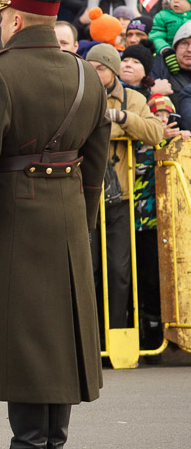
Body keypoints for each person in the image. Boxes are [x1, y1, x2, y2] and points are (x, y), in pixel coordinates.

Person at [0, 0, 111, 449]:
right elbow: (97, 159)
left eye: (1, 18)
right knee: (59, 330)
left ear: (15, 18)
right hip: (66, 212)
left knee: (21, 330)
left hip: (14, 213)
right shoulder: (86, 74)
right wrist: (82, 217)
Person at [85, 43, 164, 335]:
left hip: (121, 199)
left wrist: (120, 119)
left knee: (119, 273)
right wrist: (120, 130)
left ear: (113, 71)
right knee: (87, 272)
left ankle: (117, 336)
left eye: (101, 68)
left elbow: (155, 132)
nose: (95, 72)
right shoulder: (78, 95)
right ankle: (91, 341)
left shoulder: (132, 98)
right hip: (85, 198)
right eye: (90, 67)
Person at [149, 0, 191, 64]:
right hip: (167, 58)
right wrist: (165, 50)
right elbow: (156, 36)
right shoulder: (162, 16)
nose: (176, 1)